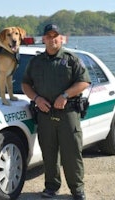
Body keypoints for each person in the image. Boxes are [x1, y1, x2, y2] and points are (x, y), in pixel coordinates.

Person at [21, 24, 91, 200]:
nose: (52, 39)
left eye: (55, 36)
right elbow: (25, 84)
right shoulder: (36, 62)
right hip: (45, 114)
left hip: (68, 114)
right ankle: (51, 187)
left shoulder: (71, 59)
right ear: (43, 39)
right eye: (48, 36)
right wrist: (36, 98)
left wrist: (65, 95)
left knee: (72, 154)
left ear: (62, 39)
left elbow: (84, 82)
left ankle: (77, 190)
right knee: (49, 154)